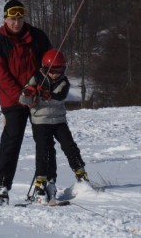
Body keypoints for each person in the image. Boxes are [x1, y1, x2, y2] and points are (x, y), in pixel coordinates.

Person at [0, 0, 52, 204]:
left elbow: (47, 64)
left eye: (20, 18)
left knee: (44, 138)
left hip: (37, 98)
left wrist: (39, 89)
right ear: (5, 19)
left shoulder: (37, 36)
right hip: (13, 100)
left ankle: (45, 182)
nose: (17, 22)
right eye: (12, 18)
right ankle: (1, 185)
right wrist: (21, 94)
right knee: (12, 139)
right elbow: (1, 75)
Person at [19, 49, 89, 204]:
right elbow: (22, 100)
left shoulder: (64, 82)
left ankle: (80, 173)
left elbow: (59, 98)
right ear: (44, 68)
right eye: (52, 70)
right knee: (44, 150)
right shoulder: (36, 78)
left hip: (58, 121)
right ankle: (41, 182)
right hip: (40, 122)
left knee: (69, 146)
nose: (56, 74)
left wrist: (46, 95)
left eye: (60, 70)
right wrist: (28, 94)